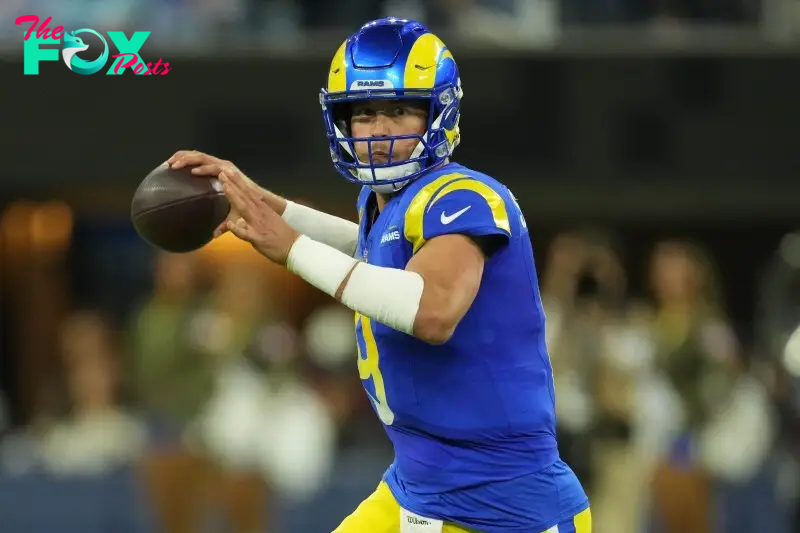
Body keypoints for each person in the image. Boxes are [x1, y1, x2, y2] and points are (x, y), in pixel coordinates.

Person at [167, 17, 590, 533]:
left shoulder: (464, 198)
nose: (380, 129)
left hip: (503, 507)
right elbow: (373, 254)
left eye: (398, 110)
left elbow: (431, 310)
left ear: (438, 112)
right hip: (417, 487)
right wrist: (265, 206)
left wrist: (293, 248)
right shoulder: (384, 203)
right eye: (364, 113)